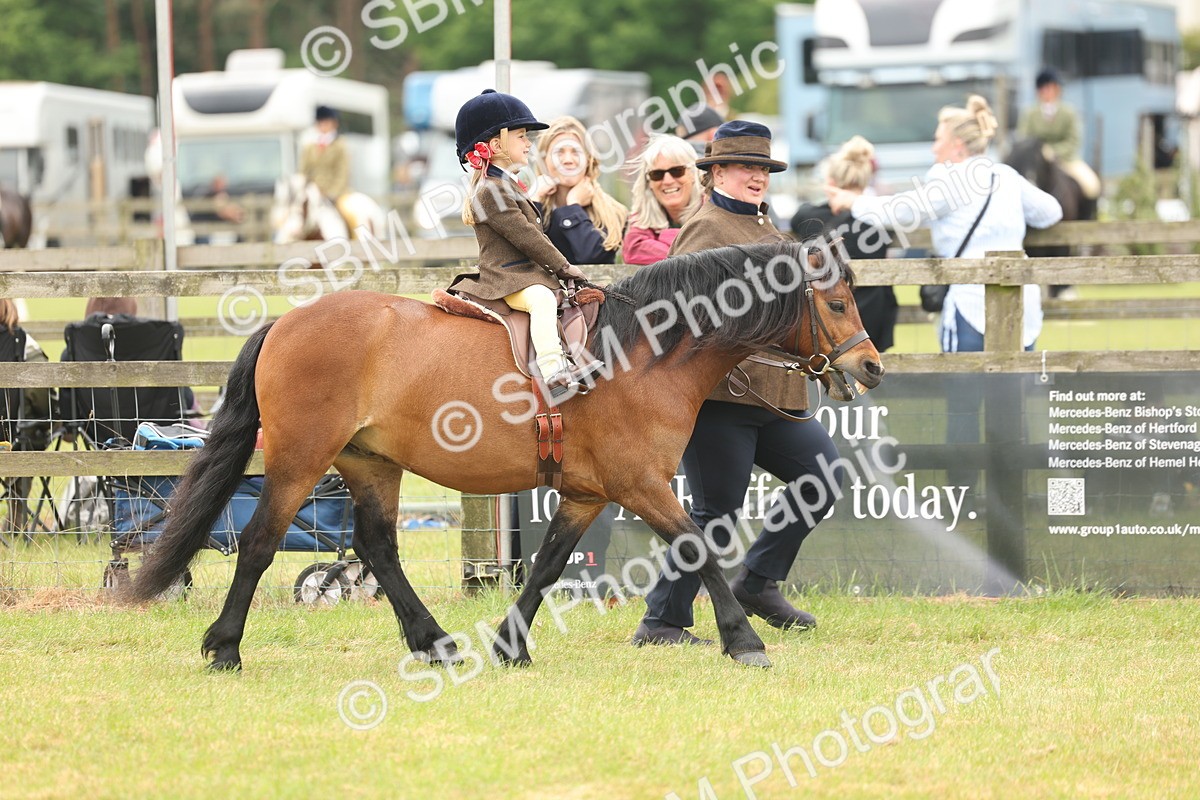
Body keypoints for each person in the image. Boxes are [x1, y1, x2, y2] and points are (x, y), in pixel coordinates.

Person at [632, 120, 844, 647]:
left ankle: (756, 582)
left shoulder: (771, 230)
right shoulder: (705, 230)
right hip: (721, 399)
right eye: (746, 167)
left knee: (822, 475)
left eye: (763, 169)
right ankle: (662, 622)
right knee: (716, 512)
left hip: (775, 397)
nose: (757, 177)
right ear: (718, 172)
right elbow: (674, 312)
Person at [828, 95, 1061, 488]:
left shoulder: (949, 178)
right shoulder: (1005, 176)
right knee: (1011, 404)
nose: (934, 145)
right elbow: (1051, 211)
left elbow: (903, 211)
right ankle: (1011, 489)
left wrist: (855, 201)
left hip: (970, 302)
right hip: (1023, 305)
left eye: (938, 137)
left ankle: (964, 491)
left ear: (956, 145)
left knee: (964, 408)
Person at [446, 90, 601, 400]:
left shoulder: (505, 184)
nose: (529, 143)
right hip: (507, 277)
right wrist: (564, 266)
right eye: (521, 136)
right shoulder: (491, 191)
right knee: (543, 300)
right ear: (496, 145)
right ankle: (553, 370)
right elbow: (528, 237)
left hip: (524, 273)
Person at [791, 135, 898, 352]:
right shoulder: (881, 221)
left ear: (830, 183)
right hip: (873, 325)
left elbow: (797, 221)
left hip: (823, 324)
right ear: (865, 181)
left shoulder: (807, 217)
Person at [530, 117, 629, 265]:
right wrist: (533, 200)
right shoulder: (532, 205)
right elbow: (521, 256)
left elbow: (591, 257)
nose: (568, 159)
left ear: (589, 159)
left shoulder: (613, 212)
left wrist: (573, 207)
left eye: (576, 152)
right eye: (559, 152)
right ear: (544, 161)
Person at [1017, 69, 1101, 199]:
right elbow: (1024, 139)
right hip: (1037, 162)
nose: (1048, 92)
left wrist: (1053, 152)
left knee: (1092, 186)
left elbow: (1073, 141)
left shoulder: (1069, 112)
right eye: (1044, 89)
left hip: (1066, 160)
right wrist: (1041, 152)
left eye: (1051, 88)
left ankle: (1089, 217)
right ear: (1039, 91)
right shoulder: (1029, 114)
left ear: (1057, 90)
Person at [621, 135, 702, 265]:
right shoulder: (643, 214)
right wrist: (685, 246)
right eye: (657, 174)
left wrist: (664, 236)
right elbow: (632, 250)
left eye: (677, 171)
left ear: (693, 173)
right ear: (649, 183)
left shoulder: (712, 205)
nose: (667, 181)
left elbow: (710, 251)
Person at [299, 106, 352, 226]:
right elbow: (303, 171)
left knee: (348, 214)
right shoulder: (310, 147)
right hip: (314, 193)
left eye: (326, 123)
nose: (323, 127)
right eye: (320, 123)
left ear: (334, 124)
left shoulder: (340, 146)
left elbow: (343, 173)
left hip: (336, 194)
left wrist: (332, 194)